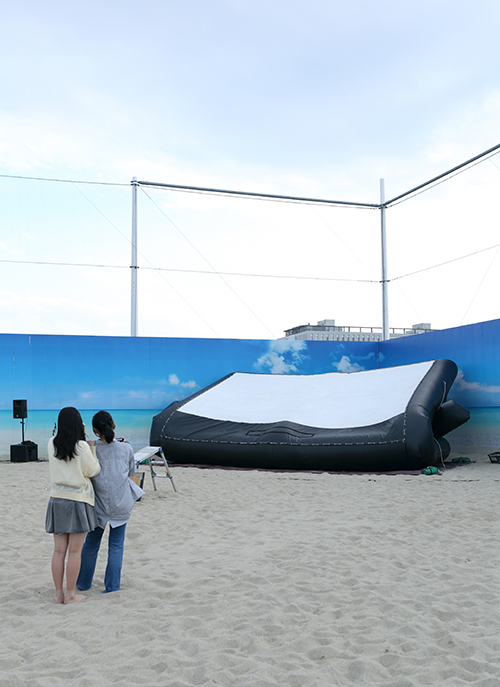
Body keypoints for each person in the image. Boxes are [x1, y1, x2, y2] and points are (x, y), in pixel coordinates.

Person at [76, 411, 144, 594]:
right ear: (113, 424)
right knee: (116, 545)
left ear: (95, 430)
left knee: (91, 544)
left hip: (98, 505)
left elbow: (86, 472)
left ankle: (83, 583)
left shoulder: (91, 449)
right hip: (121, 503)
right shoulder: (126, 448)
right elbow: (131, 471)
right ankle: (112, 586)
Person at [45, 407, 101, 604]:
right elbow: (93, 470)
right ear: (79, 424)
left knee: (58, 550)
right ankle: (70, 594)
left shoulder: (51, 443)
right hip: (78, 501)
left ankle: (58, 594)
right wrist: (92, 448)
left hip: (57, 500)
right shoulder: (82, 446)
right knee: (75, 552)